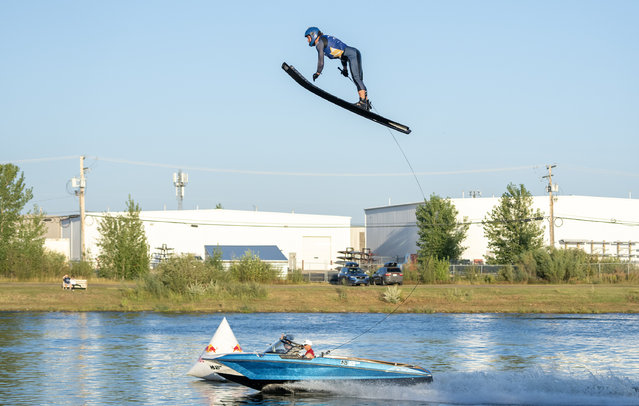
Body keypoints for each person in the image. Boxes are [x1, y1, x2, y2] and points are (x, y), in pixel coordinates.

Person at [304, 27, 371, 111]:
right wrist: (345, 69)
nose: (308, 40)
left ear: (313, 34)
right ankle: (366, 102)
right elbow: (342, 55)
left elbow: (321, 62)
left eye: (308, 38)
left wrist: (317, 73)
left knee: (357, 78)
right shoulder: (324, 39)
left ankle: (363, 103)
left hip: (352, 55)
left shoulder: (320, 43)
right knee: (358, 79)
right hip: (353, 53)